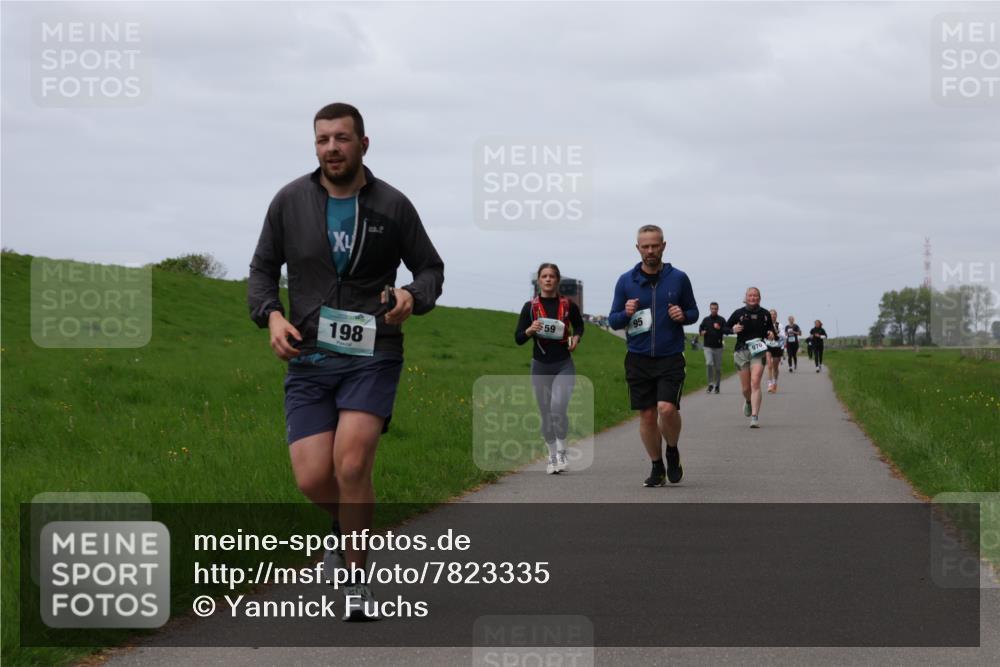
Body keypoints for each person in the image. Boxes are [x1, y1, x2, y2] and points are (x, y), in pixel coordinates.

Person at [247, 102, 444, 621]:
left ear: (363, 143)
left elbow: (430, 268)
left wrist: (411, 296)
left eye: (341, 138)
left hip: (372, 351)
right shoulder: (289, 201)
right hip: (309, 355)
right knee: (313, 479)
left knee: (352, 463)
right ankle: (350, 530)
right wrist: (269, 316)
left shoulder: (393, 205)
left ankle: (357, 578)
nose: (331, 147)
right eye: (322, 139)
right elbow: (263, 269)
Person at [609, 225, 698, 487]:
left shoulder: (678, 278)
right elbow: (613, 321)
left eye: (654, 245)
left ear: (663, 246)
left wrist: (684, 315)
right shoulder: (626, 281)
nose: (650, 250)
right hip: (638, 357)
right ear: (637, 248)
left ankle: (672, 449)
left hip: (670, 355)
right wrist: (625, 313)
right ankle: (656, 466)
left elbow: (693, 312)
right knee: (647, 415)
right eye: (645, 246)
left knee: (666, 408)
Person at [515, 263, 584, 474]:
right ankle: (552, 457)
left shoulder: (568, 305)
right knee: (546, 413)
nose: (547, 279)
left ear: (557, 280)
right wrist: (529, 330)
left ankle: (563, 449)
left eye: (551, 276)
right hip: (540, 366)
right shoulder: (530, 307)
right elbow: (518, 338)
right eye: (544, 276)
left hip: (563, 364)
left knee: (558, 408)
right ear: (539, 280)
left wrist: (576, 337)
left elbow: (579, 325)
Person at [726, 288, 774, 428]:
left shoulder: (765, 314)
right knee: (746, 388)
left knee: (755, 382)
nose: (753, 298)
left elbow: (770, 331)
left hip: (758, 351)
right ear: (746, 297)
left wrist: (771, 334)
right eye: (750, 295)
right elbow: (725, 328)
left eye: (755, 295)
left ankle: (754, 417)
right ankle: (748, 401)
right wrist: (732, 330)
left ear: (759, 298)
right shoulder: (738, 313)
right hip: (742, 351)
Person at [699, 301, 727, 394]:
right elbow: (701, 328)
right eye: (712, 308)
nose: (714, 310)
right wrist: (701, 332)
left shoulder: (722, 320)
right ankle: (710, 384)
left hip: (718, 347)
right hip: (708, 347)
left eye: (715, 308)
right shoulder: (706, 320)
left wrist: (719, 328)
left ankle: (717, 386)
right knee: (709, 363)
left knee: (718, 368)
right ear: (710, 309)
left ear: (718, 309)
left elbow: (727, 330)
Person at [765, 308, 784, 393]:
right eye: (771, 314)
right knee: (769, 365)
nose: (773, 316)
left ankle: (775, 383)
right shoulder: (765, 324)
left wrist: (777, 332)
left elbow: (784, 336)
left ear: (776, 316)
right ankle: (769, 384)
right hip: (768, 346)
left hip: (777, 346)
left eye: (774, 314)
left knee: (775, 367)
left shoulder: (779, 325)